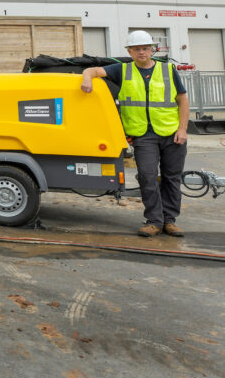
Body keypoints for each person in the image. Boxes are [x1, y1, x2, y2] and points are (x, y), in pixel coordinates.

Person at [81, 30, 189, 238]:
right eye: (136, 49)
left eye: (145, 48)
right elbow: (92, 71)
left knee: (171, 178)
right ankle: (154, 221)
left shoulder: (168, 70)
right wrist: (86, 79)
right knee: (147, 176)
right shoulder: (122, 71)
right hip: (143, 135)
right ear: (129, 52)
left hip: (172, 133)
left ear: (152, 50)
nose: (141, 52)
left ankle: (170, 221)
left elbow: (182, 100)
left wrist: (182, 129)